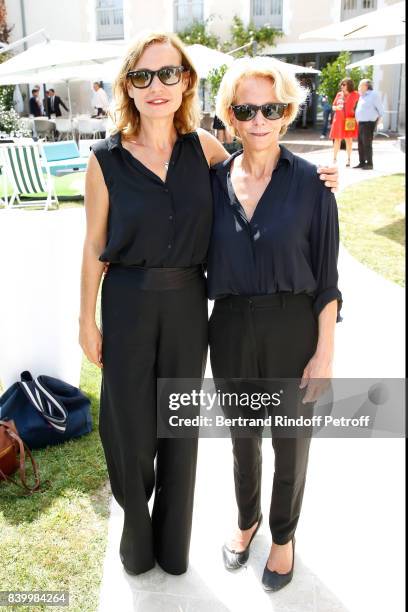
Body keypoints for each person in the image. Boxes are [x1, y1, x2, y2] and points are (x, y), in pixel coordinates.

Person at [79, 31, 339, 578]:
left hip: (196, 310)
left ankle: (198, 541)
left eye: (168, 73)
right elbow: (93, 246)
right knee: (137, 426)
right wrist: (85, 317)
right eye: (143, 75)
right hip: (150, 307)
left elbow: (270, 189)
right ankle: (148, 530)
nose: (157, 86)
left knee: (187, 429)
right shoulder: (112, 159)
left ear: (186, 82)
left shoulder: (206, 149)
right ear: (129, 84)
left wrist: (323, 177)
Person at [207, 56, 342, 592]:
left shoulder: (313, 184)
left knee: (290, 441)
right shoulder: (212, 182)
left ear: (287, 113)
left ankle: (283, 538)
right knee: (243, 439)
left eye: (271, 107)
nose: (259, 118)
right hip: (232, 327)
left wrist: (324, 352)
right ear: (231, 116)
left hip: (293, 329)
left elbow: (328, 278)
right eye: (246, 108)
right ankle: (248, 521)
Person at [354, 79, 384, 170]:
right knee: (360, 143)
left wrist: (379, 121)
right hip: (361, 123)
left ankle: (369, 163)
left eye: (360, 85)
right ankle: (362, 162)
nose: (358, 87)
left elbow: (381, 110)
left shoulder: (374, 95)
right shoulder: (362, 96)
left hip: (369, 123)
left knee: (367, 143)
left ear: (366, 86)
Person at [329, 78, 359, 166]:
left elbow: (362, 102)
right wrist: (336, 108)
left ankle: (348, 160)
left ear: (349, 85)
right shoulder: (339, 94)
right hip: (338, 120)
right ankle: (334, 159)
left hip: (349, 120)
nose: (342, 86)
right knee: (337, 140)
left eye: (344, 84)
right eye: (341, 84)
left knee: (349, 140)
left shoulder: (355, 94)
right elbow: (333, 106)